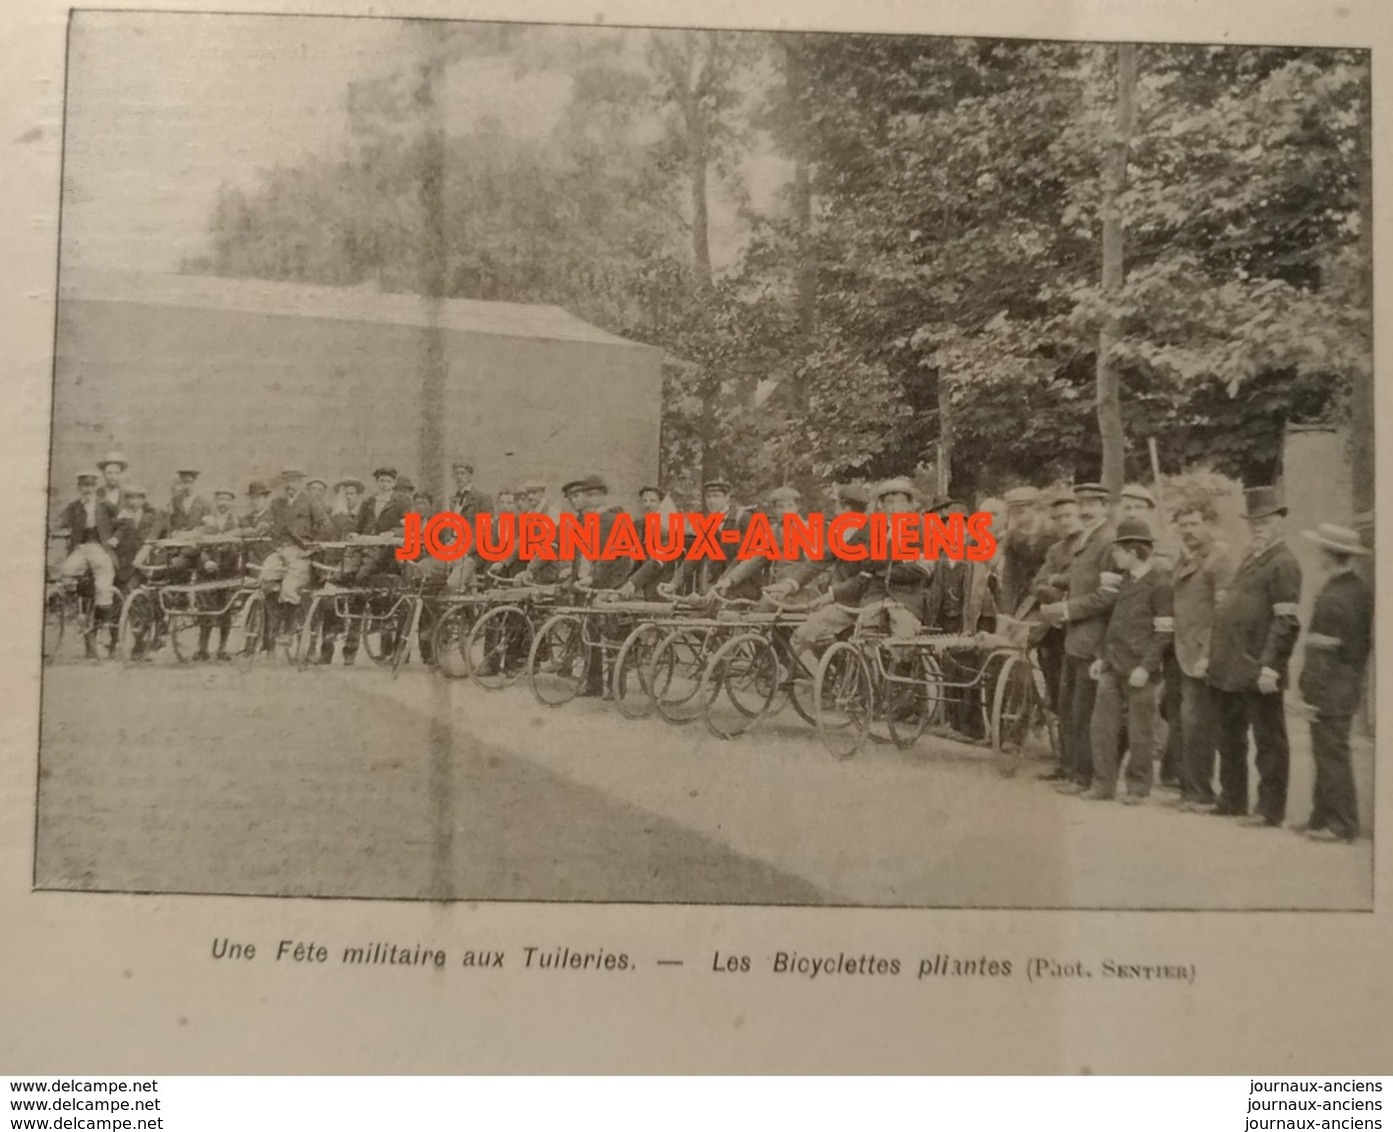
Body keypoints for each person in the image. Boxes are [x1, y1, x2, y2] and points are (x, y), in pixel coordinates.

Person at [1206, 486, 1302, 827]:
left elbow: (1286, 621)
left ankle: (1269, 809)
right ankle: (1232, 799)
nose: (1257, 526)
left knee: (1268, 741)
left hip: (1259, 668)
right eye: (1253, 521)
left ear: (1280, 521)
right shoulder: (1252, 557)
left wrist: (1271, 667)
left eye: (1264, 520)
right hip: (1232, 666)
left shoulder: (1284, 563)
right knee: (1229, 737)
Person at [1084, 518, 1174, 802]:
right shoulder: (1123, 582)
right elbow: (1113, 624)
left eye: (1118, 551)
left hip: (1139, 670)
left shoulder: (1159, 585)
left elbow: (1163, 633)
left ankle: (1137, 787)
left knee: (1140, 732)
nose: (1114, 556)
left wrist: (1146, 669)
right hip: (1113, 665)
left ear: (1133, 552)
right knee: (1102, 728)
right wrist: (1101, 657)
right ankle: (1103, 785)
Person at [1295, 524, 1372, 843]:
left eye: (1321, 551)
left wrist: (1308, 689)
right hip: (1344, 681)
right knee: (1326, 749)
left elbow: (1322, 652)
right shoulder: (1355, 588)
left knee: (1331, 753)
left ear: (1329, 555)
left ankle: (1341, 824)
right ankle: (1321, 817)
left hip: (1331, 685)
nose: (1318, 556)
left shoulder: (1337, 596)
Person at [1040, 483, 1118, 795]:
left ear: (1105, 507)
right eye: (1082, 503)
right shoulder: (1088, 539)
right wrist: (1059, 581)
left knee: (1084, 712)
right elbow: (1082, 580)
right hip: (1075, 638)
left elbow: (1107, 597)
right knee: (1068, 707)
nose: (1086, 510)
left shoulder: (1109, 542)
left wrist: (1067, 609)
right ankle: (1069, 770)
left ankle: (1083, 777)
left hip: (1093, 640)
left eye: (1093, 504)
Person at [1169, 499, 1236, 811]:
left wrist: (1208, 655)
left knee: (1199, 725)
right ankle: (1189, 788)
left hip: (1201, 654)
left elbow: (1223, 613)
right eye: (1183, 525)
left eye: (1194, 524)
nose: (1188, 530)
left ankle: (1201, 792)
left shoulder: (1218, 560)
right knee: (1184, 724)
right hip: (1179, 651)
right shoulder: (1184, 559)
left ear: (1207, 523)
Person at [262, 468, 333, 643]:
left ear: (300, 483)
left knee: (289, 587)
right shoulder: (277, 503)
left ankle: (288, 628)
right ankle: (275, 622)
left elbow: (326, 526)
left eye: (294, 481)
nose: (290, 485)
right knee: (265, 579)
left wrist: (312, 547)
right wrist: (263, 526)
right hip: (279, 550)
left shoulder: (310, 502)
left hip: (300, 552)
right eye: (287, 481)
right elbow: (267, 520)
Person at [58, 472, 119, 658]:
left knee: (103, 585)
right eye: (84, 486)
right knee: (67, 571)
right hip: (81, 548)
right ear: (79, 488)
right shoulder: (74, 506)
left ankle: (105, 616)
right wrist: (61, 526)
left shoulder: (106, 505)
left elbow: (122, 521)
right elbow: (61, 520)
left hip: (100, 548)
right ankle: (74, 610)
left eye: (91, 486)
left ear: (95, 488)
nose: (88, 490)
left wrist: (116, 538)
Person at [193, 487, 242, 662]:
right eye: (220, 499)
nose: (223, 503)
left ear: (232, 503)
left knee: (225, 610)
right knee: (205, 609)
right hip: (207, 571)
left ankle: (222, 649)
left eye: (227, 499)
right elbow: (198, 544)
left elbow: (239, 545)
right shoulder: (206, 520)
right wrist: (206, 561)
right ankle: (203, 649)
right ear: (216, 501)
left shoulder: (237, 522)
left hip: (227, 572)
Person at [997, 486, 1051, 616]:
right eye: (1013, 513)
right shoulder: (1013, 537)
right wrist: (1006, 611)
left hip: (1049, 597)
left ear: (1035, 508)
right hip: (1023, 599)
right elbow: (1009, 576)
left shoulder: (1052, 533)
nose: (1017, 517)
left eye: (1021, 512)